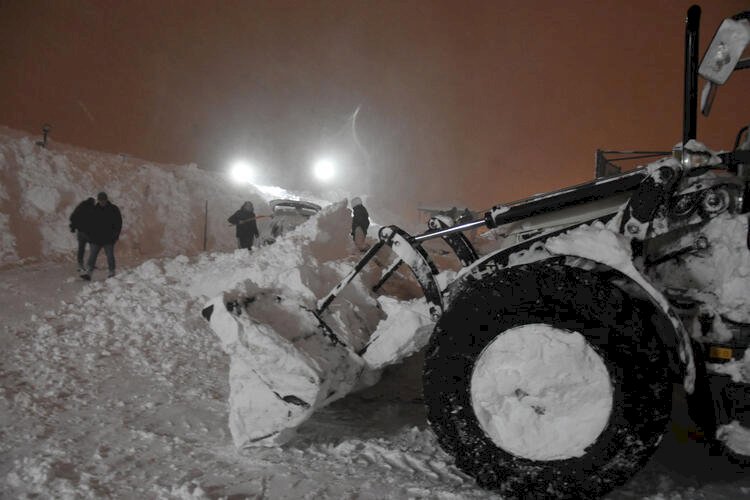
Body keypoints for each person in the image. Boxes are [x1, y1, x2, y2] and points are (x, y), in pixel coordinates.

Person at [81, 192, 122, 280]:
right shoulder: (94, 210)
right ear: (98, 200)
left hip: (109, 238)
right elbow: (89, 224)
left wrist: (115, 235)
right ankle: (88, 273)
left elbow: (118, 223)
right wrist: (89, 236)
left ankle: (112, 272)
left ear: (106, 199)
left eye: (103, 200)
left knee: (110, 255)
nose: (102, 202)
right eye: (100, 200)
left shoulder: (113, 209)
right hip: (96, 238)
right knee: (92, 255)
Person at [69, 197, 95, 273]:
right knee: (93, 248)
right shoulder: (92, 209)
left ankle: (80, 265)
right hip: (89, 233)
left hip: (80, 232)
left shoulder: (80, 208)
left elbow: (72, 217)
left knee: (81, 249)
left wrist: (73, 227)